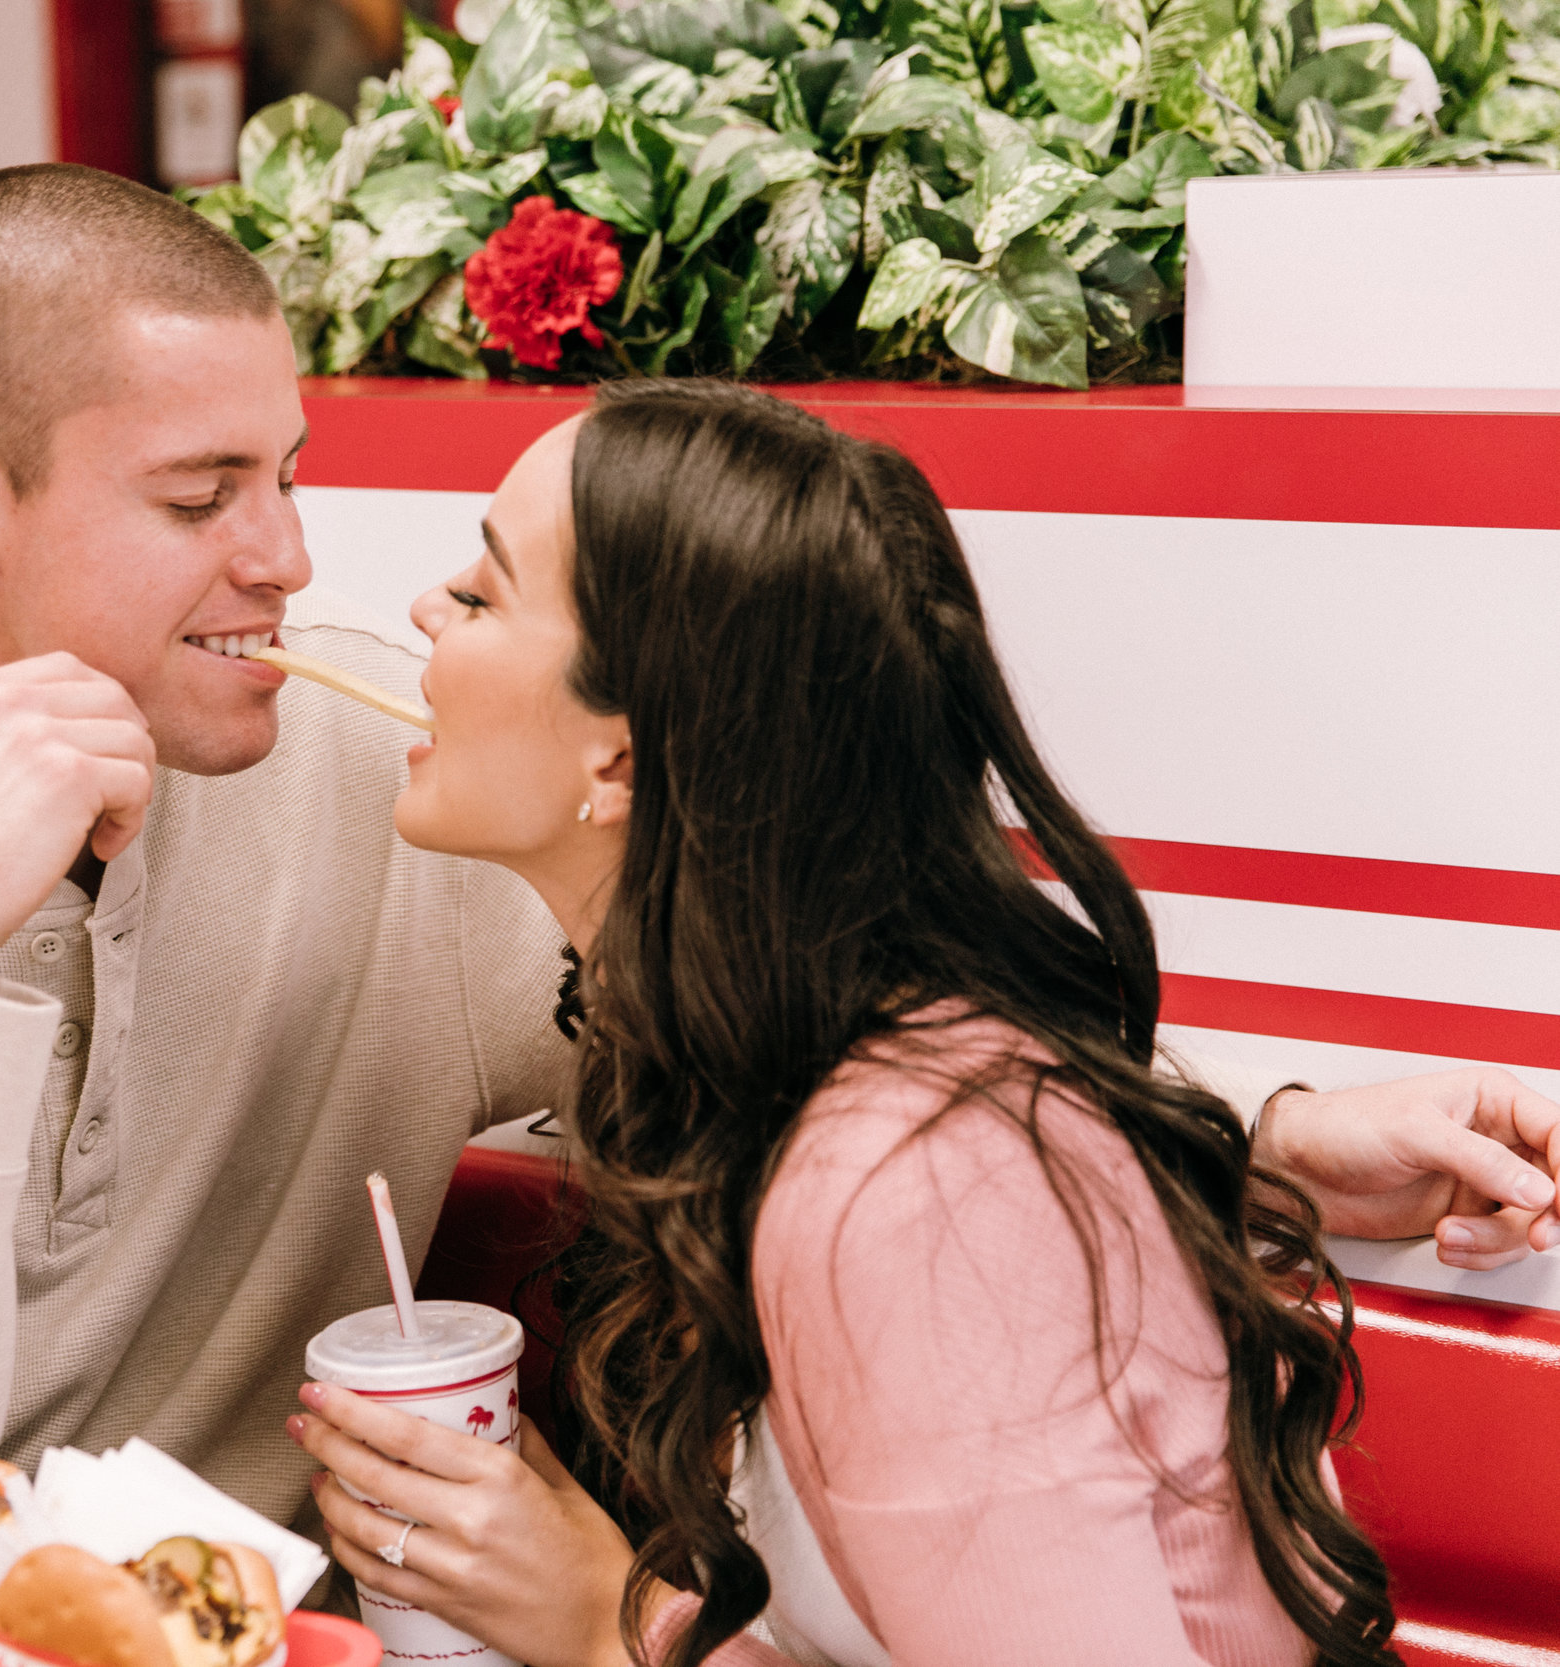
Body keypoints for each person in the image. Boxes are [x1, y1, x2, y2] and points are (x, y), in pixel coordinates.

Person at [0, 165, 1554, 1602]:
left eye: (286, 474)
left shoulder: (378, 774)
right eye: (202, 497)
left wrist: (1268, 1122)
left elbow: (813, 977)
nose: (289, 559)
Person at [287, 383, 1560, 1664]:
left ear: (619, 761)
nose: (421, 614)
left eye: (483, 590)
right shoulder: (769, 1051)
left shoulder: (912, 1187)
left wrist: (603, 1619)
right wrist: (1277, 1138)